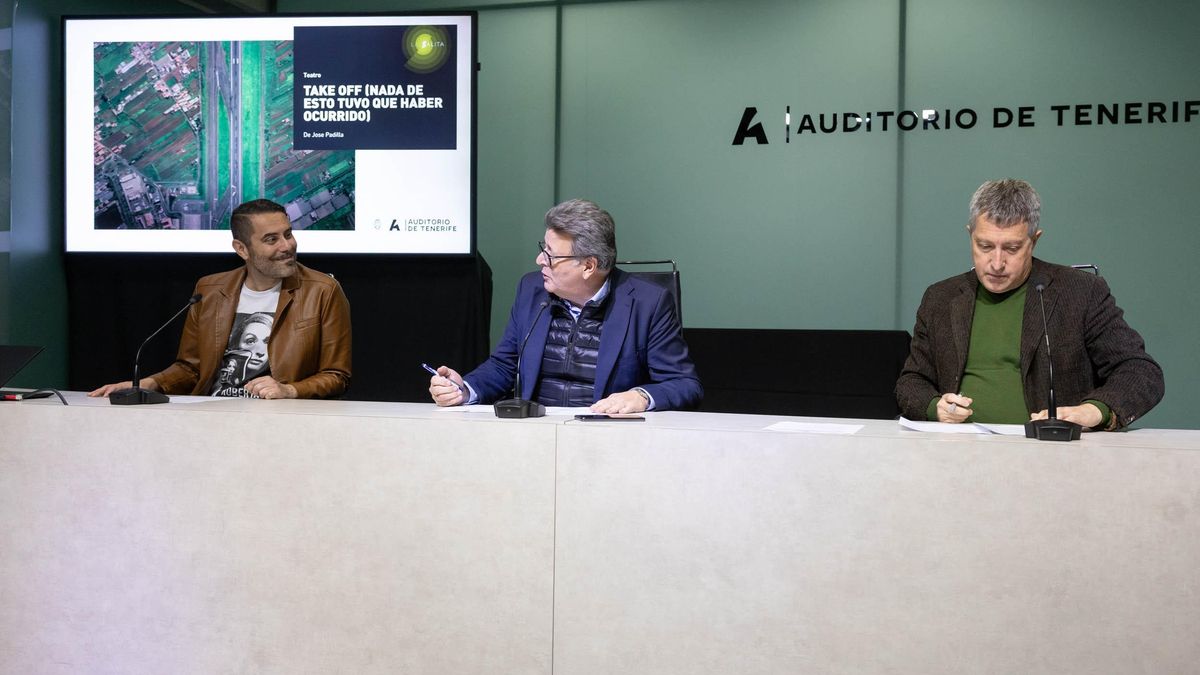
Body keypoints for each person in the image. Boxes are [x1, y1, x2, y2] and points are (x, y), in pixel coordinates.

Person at [895, 179, 1163, 430]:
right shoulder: (941, 298)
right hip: (958, 452)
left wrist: (1094, 411)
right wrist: (935, 407)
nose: (997, 263)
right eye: (985, 246)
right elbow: (911, 382)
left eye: (1011, 249)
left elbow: (1140, 371)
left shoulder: (1080, 292)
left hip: (1053, 455)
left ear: (1034, 241)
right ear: (970, 235)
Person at [428, 198, 701, 412]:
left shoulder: (648, 303)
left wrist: (640, 396)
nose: (539, 260)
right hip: (535, 433)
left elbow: (684, 384)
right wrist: (464, 388)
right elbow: (505, 365)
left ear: (588, 265)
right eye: (542, 247)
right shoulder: (531, 290)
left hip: (607, 438)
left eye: (550, 254)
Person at [90, 199, 352, 400]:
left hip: (278, 417)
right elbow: (191, 369)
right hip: (211, 413)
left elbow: (336, 375)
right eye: (271, 239)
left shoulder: (322, 291)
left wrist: (289, 390)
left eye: (288, 234)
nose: (287, 246)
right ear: (241, 249)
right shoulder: (210, 289)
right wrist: (148, 383)